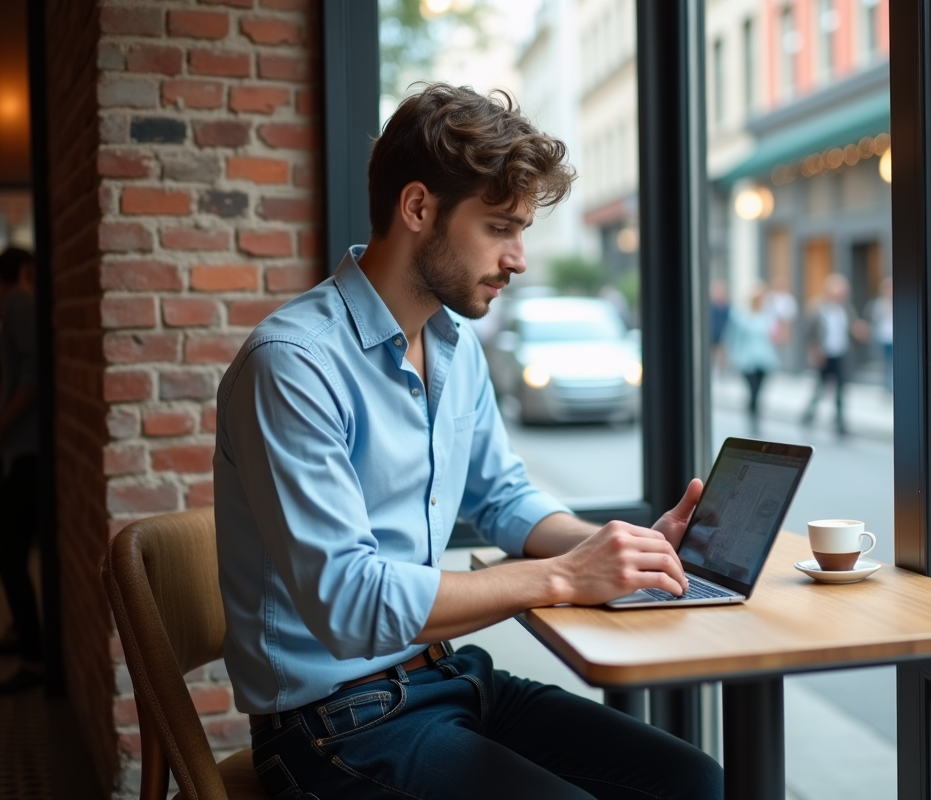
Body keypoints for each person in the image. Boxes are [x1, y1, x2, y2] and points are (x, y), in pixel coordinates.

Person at [214, 84, 722, 800]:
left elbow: (502, 497)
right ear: (418, 208)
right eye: (499, 227)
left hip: (446, 677)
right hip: (331, 724)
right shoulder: (294, 364)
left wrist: (619, 550)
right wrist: (564, 578)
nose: (518, 258)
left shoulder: (454, 345)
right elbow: (349, 602)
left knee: (691, 778)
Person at [0, 247, 41, 694]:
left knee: (11, 555)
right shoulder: (16, 307)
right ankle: (24, 638)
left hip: (27, 451)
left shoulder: (19, 305)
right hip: (20, 451)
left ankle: (34, 655)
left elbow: (31, 375)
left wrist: (3, 425)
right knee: (10, 554)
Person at [800, 273, 869, 435]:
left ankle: (840, 422)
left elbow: (853, 325)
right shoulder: (817, 309)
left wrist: (859, 330)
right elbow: (808, 333)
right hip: (824, 354)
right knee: (820, 388)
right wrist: (814, 351)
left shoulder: (845, 308)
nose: (840, 297)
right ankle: (809, 415)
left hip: (841, 352)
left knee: (841, 389)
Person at [724, 284, 780, 435]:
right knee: (752, 390)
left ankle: (756, 416)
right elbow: (733, 338)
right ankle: (752, 417)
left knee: (759, 391)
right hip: (747, 359)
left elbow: (772, 336)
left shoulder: (768, 315)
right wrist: (732, 357)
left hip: (764, 359)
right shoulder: (741, 316)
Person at [867, 276, 894, 394]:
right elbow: (873, 317)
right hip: (884, 338)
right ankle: (887, 386)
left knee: (895, 362)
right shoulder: (880, 303)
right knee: (886, 362)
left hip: (896, 338)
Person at [709, 278, 730, 372]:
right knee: (713, 353)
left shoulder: (727, 307)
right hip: (713, 333)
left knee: (722, 353)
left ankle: (722, 372)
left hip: (723, 333)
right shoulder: (712, 306)